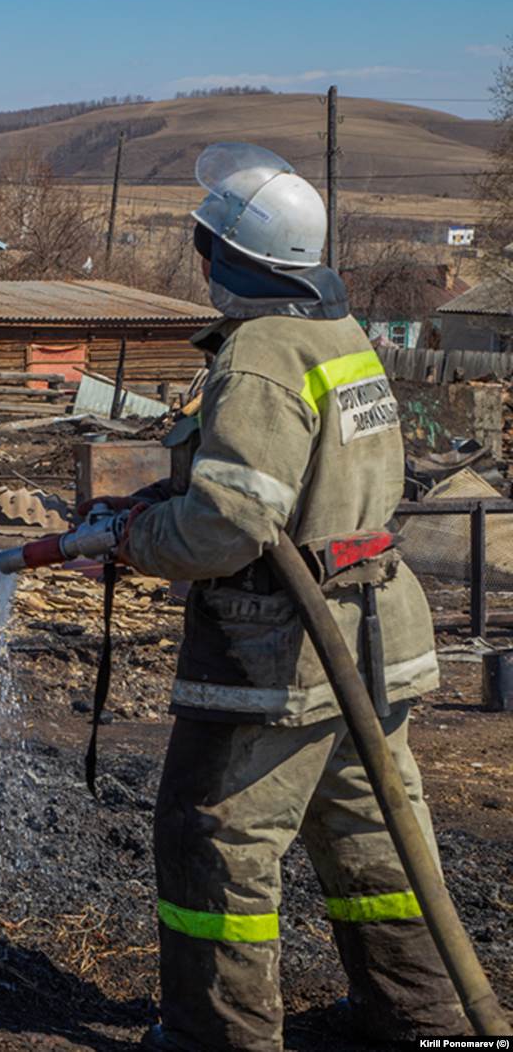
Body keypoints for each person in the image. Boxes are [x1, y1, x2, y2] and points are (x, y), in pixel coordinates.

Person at [102, 144, 464, 1050]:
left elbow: (229, 528)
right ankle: (418, 1018)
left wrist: (129, 538)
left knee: (216, 838)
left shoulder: (260, 355)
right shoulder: (340, 339)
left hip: (281, 652)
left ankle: (217, 1036)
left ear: (226, 257)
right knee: (372, 834)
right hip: (372, 637)